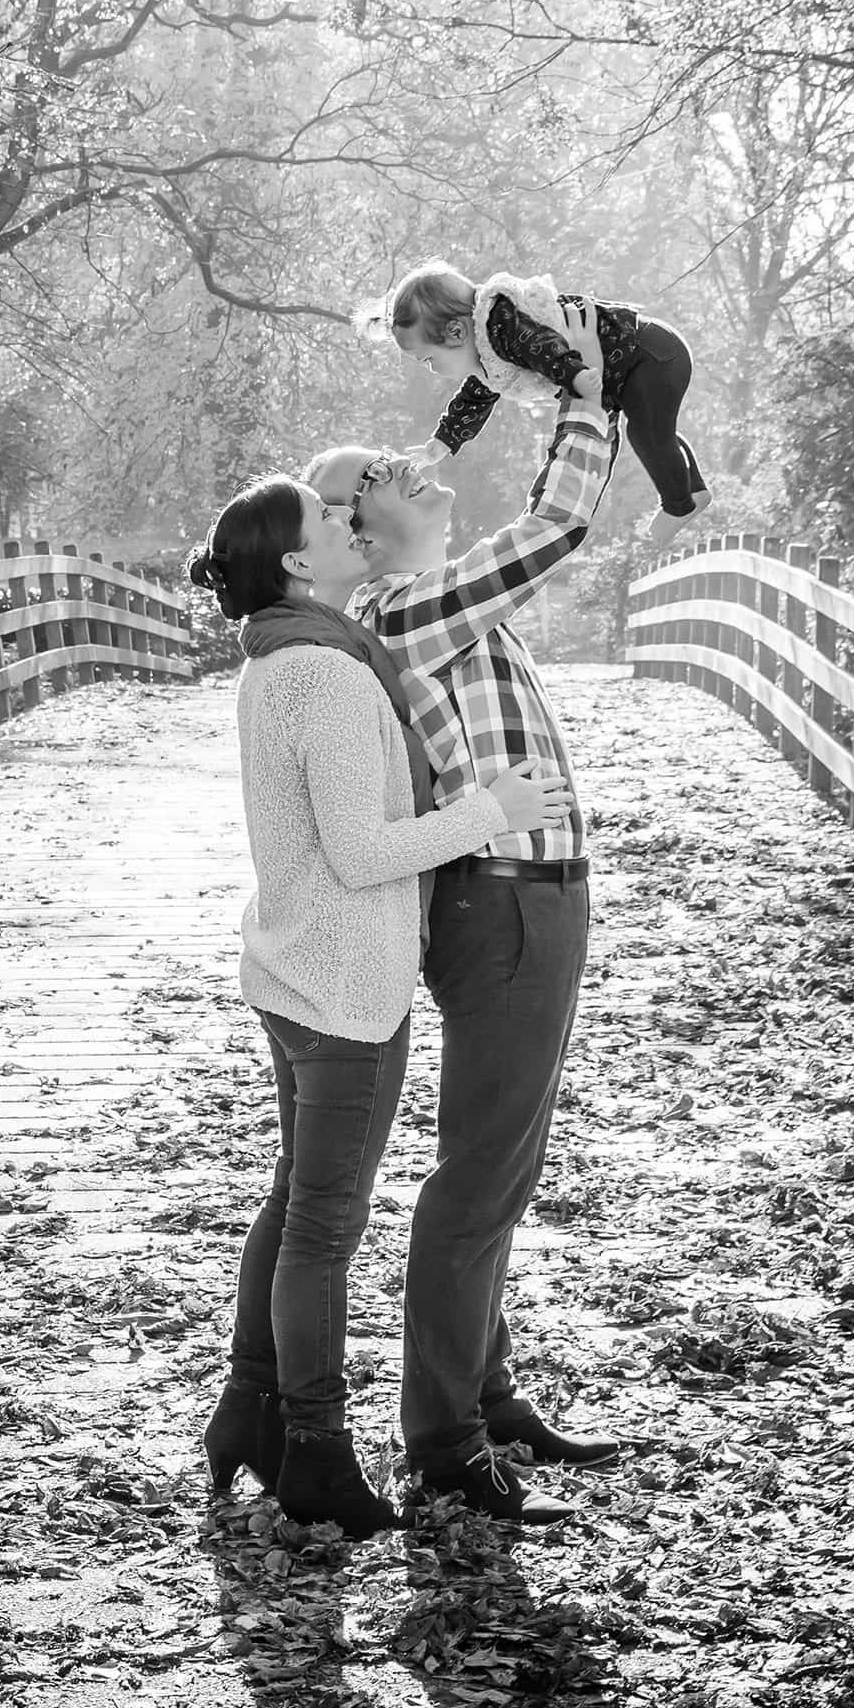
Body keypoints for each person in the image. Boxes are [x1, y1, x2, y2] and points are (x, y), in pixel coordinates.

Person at [186, 473, 570, 1538]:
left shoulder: (278, 659)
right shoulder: (329, 674)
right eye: (326, 520)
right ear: (300, 563)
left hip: (294, 967)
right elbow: (361, 853)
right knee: (323, 1224)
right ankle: (312, 1447)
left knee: (296, 1200)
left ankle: (245, 1405)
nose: (346, 524)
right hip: (342, 983)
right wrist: (490, 810)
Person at [306, 299, 623, 1528]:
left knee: (504, 1163)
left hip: (526, 896)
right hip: (504, 904)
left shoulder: (433, 601)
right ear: (353, 533)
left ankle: (482, 1395)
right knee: (481, 1173)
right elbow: (556, 525)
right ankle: (441, 1436)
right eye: (373, 480)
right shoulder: (401, 612)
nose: (411, 471)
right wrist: (586, 402)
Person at [367, 256, 712, 547]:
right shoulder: (489, 356)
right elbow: (473, 399)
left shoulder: (501, 326)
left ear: (457, 333)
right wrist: (443, 441)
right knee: (652, 428)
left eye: (428, 360)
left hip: (650, 354)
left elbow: (542, 344)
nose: (431, 370)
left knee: (649, 433)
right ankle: (692, 490)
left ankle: (678, 505)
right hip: (636, 364)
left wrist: (574, 373)